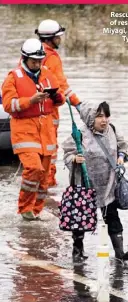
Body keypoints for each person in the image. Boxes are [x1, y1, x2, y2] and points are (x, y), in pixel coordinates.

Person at [2, 38, 65, 221]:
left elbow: (59, 100)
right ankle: (24, 209)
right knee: (33, 168)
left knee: (45, 176)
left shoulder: (47, 73)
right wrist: (30, 101)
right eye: (34, 61)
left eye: (39, 60)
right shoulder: (13, 77)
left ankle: (36, 211)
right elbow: (8, 105)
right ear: (25, 59)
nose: (37, 64)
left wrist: (57, 97)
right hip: (24, 130)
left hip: (45, 132)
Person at [62, 101, 128, 262]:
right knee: (80, 220)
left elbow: (122, 147)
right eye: (99, 116)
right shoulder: (79, 134)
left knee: (113, 218)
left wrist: (121, 158)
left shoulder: (112, 130)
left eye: (106, 116)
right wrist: (74, 158)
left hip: (108, 185)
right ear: (90, 117)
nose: (104, 120)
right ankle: (78, 251)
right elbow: (67, 155)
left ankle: (120, 253)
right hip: (85, 185)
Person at [35, 19, 82, 187]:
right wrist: (78, 103)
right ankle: (48, 188)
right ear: (50, 38)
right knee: (50, 151)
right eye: (58, 37)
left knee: (37, 151)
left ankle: (40, 184)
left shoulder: (31, 55)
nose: (60, 40)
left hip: (33, 112)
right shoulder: (52, 57)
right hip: (48, 111)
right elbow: (60, 84)